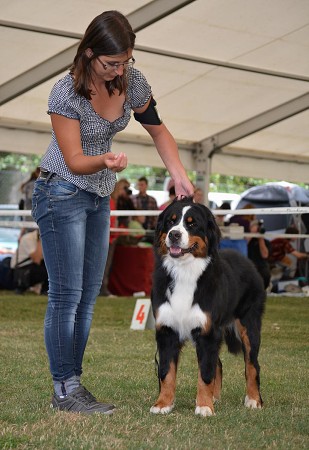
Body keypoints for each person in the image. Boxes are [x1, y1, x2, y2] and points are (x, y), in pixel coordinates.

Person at [31, 10, 193, 415]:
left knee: (88, 297)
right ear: (89, 54)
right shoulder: (65, 93)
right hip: (61, 190)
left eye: (125, 61)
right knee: (66, 295)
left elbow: (158, 129)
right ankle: (65, 389)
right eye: (111, 63)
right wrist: (105, 160)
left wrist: (178, 174)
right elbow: (73, 158)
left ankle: (73, 384)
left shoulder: (131, 82)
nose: (119, 69)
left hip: (97, 195)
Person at [10, 229, 48, 294]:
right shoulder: (28, 238)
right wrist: (41, 239)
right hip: (19, 272)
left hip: (29, 268)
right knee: (50, 268)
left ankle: (45, 290)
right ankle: (45, 290)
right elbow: (37, 259)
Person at [247, 219, 271, 289]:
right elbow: (242, 248)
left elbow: (265, 255)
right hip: (248, 265)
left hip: (261, 266)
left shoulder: (266, 242)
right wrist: (252, 234)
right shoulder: (247, 240)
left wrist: (261, 238)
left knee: (265, 273)